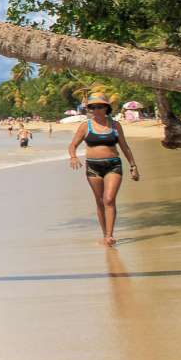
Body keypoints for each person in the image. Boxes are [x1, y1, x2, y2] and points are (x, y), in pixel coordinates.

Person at [68, 91, 139, 247]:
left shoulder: (115, 125)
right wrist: (73, 157)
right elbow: (72, 145)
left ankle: (109, 236)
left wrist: (133, 166)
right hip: (93, 167)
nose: (96, 110)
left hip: (113, 165)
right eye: (92, 107)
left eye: (99, 107)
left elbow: (124, 146)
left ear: (106, 107)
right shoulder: (85, 126)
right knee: (100, 201)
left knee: (109, 199)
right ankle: (105, 234)